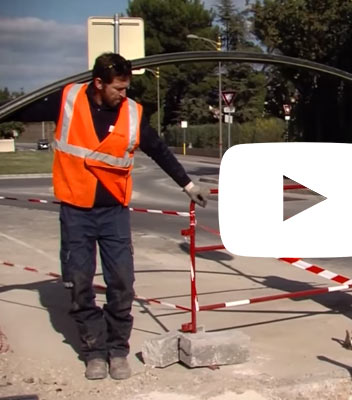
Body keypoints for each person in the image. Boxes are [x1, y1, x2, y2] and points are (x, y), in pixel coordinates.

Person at [3, 53, 210, 380]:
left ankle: (117, 350)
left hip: (113, 212)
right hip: (75, 212)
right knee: (80, 282)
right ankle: (94, 351)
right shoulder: (68, 100)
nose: (123, 94)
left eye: (126, 88)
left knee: (122, 283)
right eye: (117, 88)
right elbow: (22, 109)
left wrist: (187, 184)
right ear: (98, 83)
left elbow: (157, 148)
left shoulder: (131, 113)